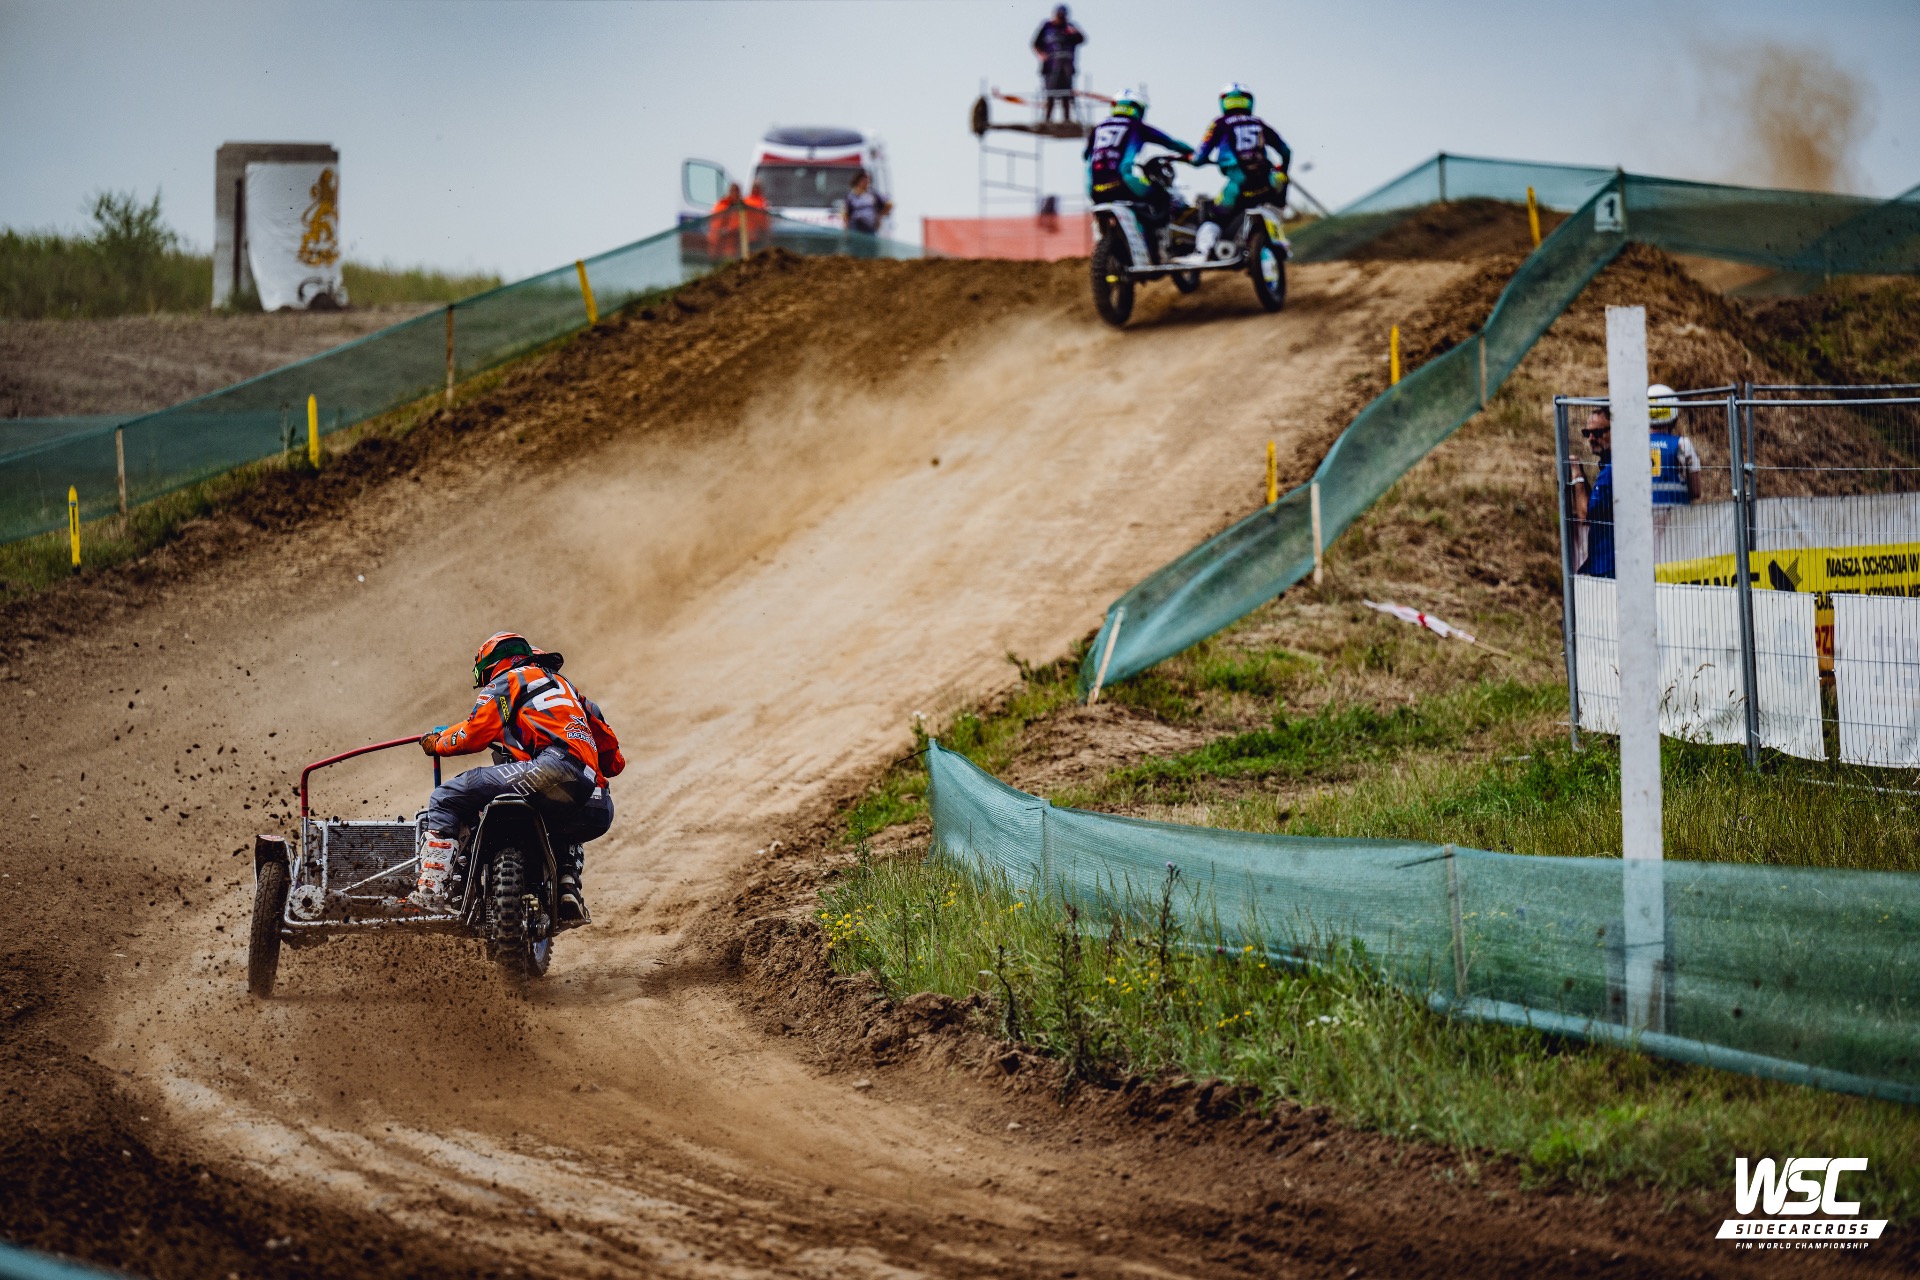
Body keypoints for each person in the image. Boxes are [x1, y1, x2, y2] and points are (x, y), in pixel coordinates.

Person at [413, 632, 623, 924]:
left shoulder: (511, 678)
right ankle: (567, 885)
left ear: (494, 664)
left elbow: (474, 733)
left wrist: (437, 742)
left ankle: (431, 891)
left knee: (447, 797)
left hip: (550, 769)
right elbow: (614, 762)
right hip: (594, 799)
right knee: (556, 815)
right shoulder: (573, 694)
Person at [1182, 82, 1291, 264]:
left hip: (1239, 186)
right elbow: (1286, 151)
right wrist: (1283, 169)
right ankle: (1279, 241)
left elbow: (1198, 159)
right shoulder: (1258, 123)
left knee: (1212, 216)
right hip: (1268, 183)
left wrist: (1188, 158)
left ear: (1223, 102)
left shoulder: (1219, 124)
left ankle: (1203, 251)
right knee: (1276, 199)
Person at [1083, 88, 1192, 232]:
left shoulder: (1098, 128)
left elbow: (1086, 155)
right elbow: (1171, 143)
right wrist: (1192, 153)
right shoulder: (1136, 126)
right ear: (1138, 108)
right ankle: (1154, 239)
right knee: (1162, 196)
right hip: (1123, 183)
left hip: (1094, 189)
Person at [1569, 406, 1616, 577]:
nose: (1591, 438)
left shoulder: (1611, 472)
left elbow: (1585, 514)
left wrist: (1577, 475)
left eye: (1597, 433)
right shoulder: (1614, 465)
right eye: (1587, 433)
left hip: (1608, 564)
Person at [1647, 383, 1704, 505]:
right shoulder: (1682, 445)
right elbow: (1696, 491)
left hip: (1642, 514)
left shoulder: (1634, 447)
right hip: (1677, 514)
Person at [1031, 4, 1086, 124]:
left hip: (1066, 67)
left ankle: (1067, 120)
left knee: (1066, 94)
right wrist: (1042, 55)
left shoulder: (1069, 27)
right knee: (1050, 93)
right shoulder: (1046, 27)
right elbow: (1035, 43)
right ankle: (1047, 120)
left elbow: (1082, 39)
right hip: (1050, 67)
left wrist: (1073, 32)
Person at [842, 168, 891, 235]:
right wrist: (846, 229)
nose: (866, 181)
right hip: (855, 227)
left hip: (869, 227)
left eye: (868, 179)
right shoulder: (851, 196)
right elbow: (846, 213)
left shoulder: (873, 194)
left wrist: (879, 216)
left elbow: (889, 204)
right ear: (858, 180)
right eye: (864, 179)